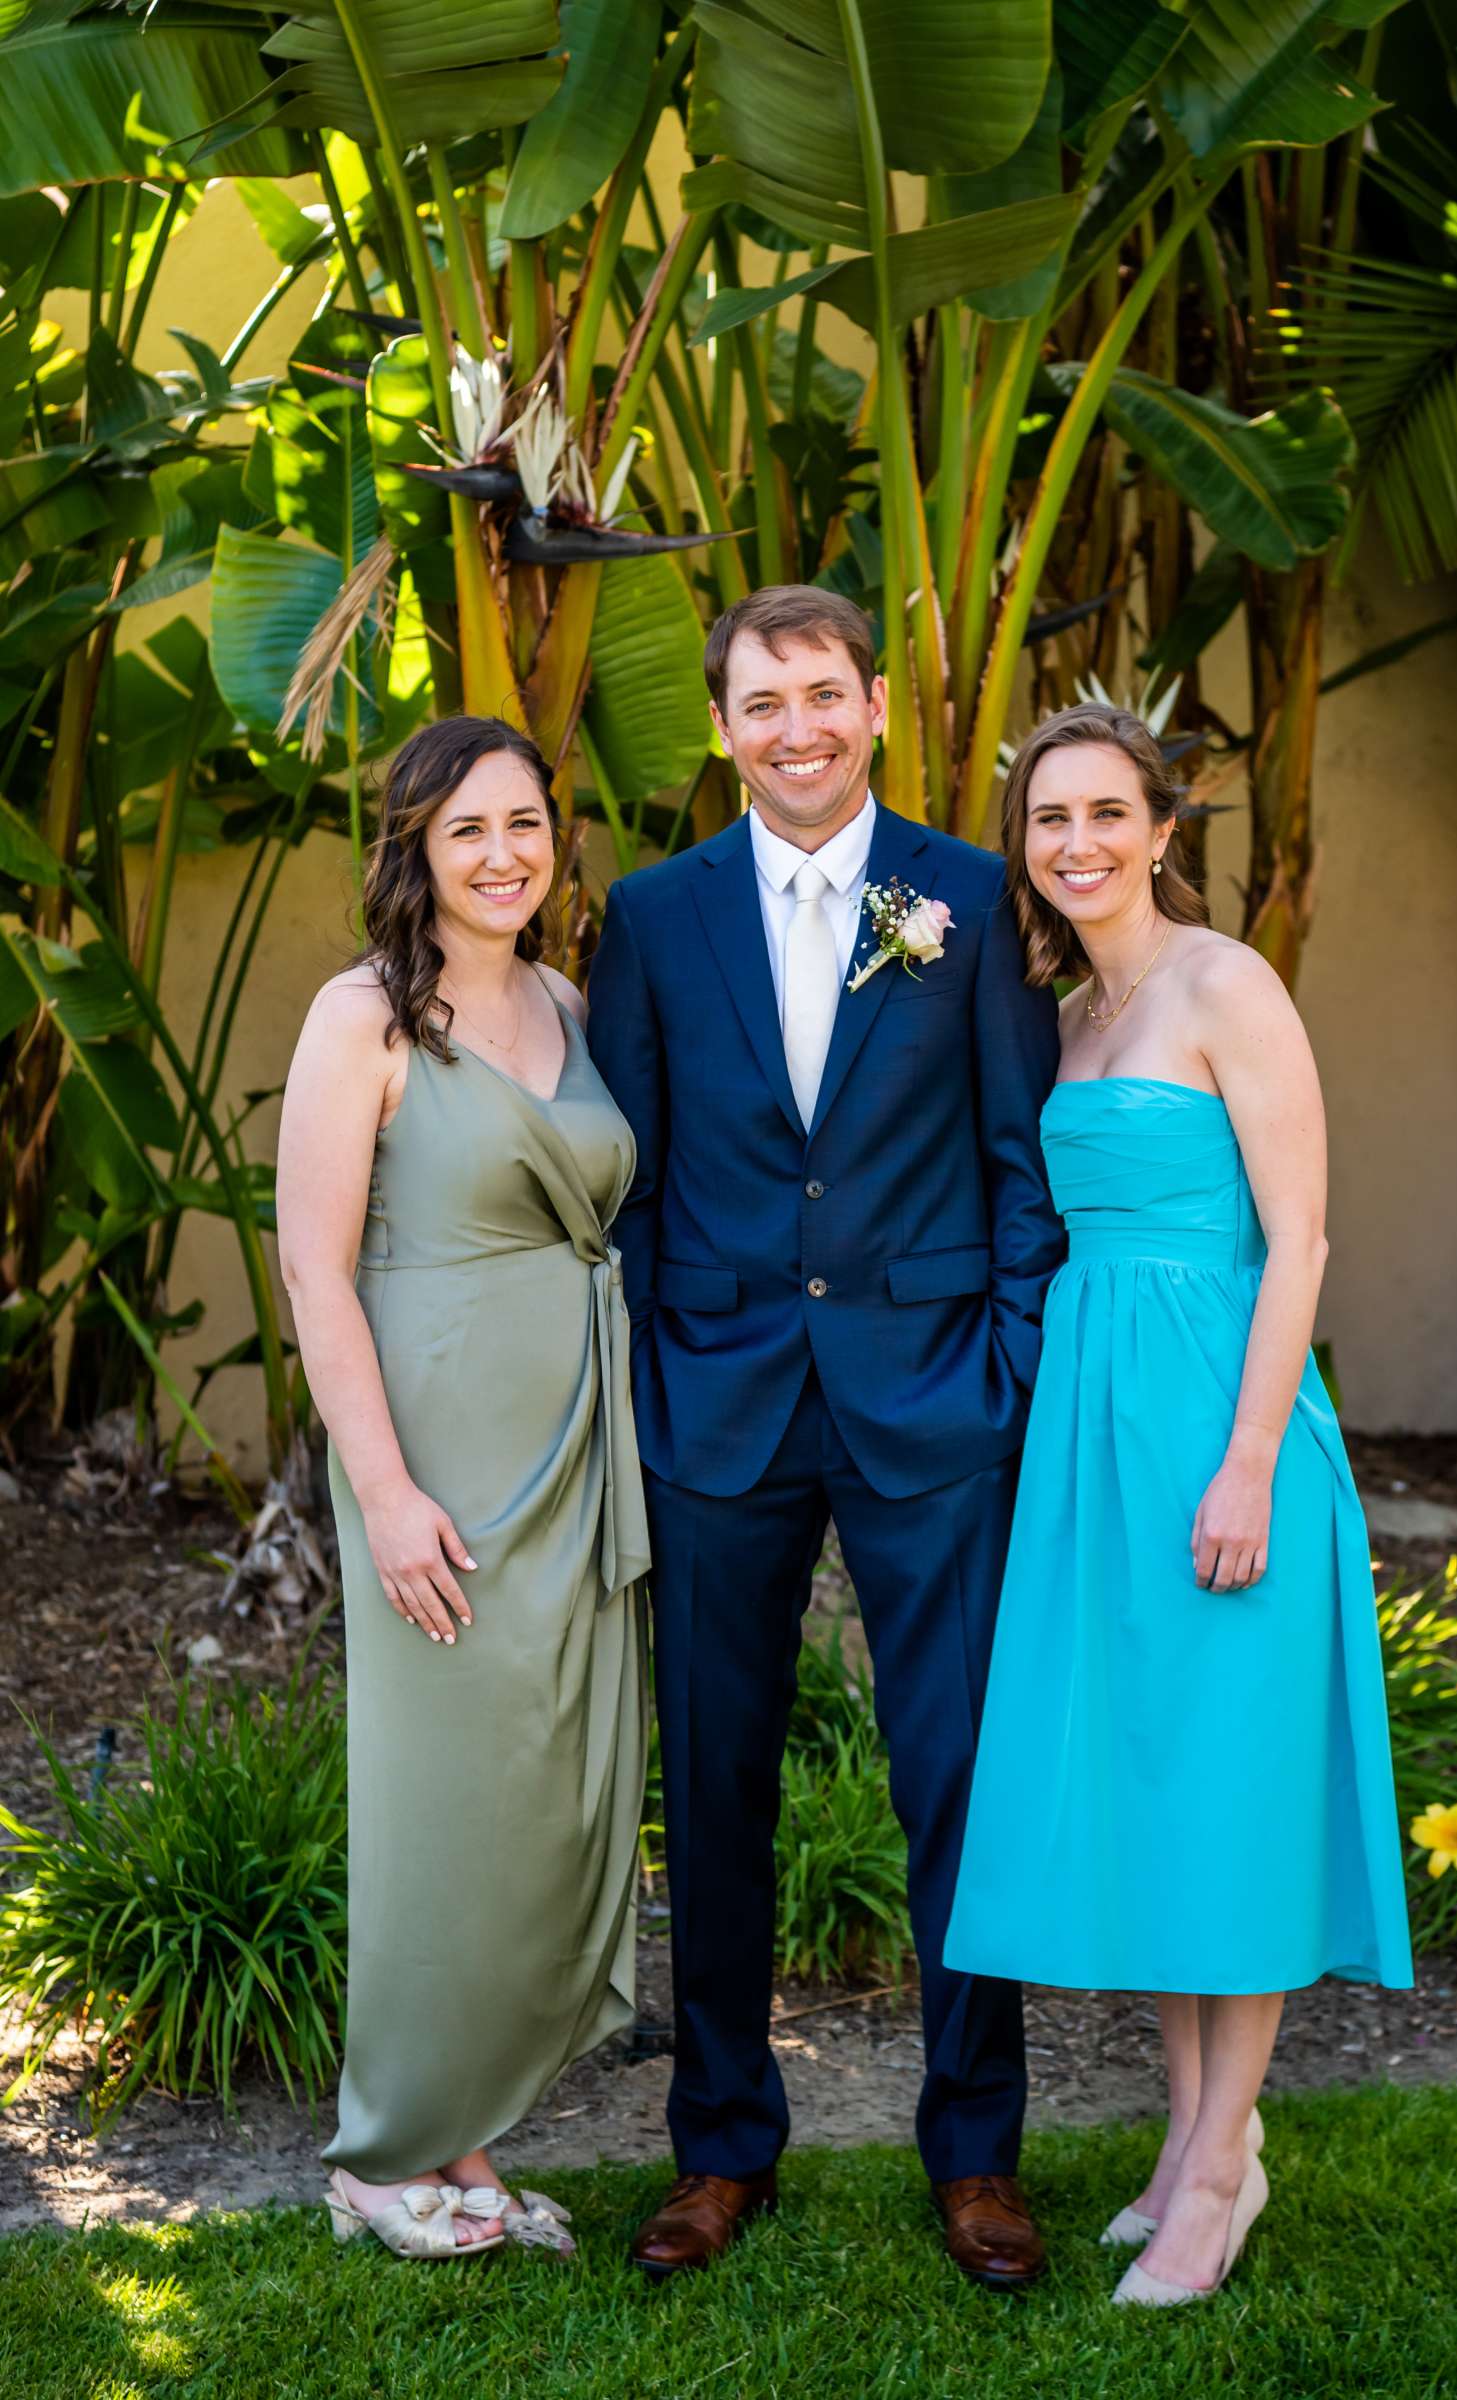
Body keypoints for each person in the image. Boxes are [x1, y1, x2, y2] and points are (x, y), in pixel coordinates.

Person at [587, 587, 1064, 2286]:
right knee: (714, 1782)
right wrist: (652, 1375)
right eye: (760, 704)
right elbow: (629, 1180)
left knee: (954, 1777)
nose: (794, 729)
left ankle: (975, 2152)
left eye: (823, 696)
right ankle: (721, 2146)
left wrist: (1002, 1365)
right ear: (721, 726)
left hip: (935, 1393)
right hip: (716, 1398)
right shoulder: (650, 917)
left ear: (874, 706)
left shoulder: (969, 894)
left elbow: (1021, 1158)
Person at [944, 703, 1414, 2307]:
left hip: (1223, 1420)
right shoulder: (1070, 1017)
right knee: (1153, 1783)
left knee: (1227, 1787)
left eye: (1102, 813)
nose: (1073, 843)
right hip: (1094, 1436)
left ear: (1160, 826)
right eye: (1045, 819)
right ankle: (1186, 2135)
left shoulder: (1227, 985)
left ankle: (1224, 2164)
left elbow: (1298, 1240)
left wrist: (1244, 1459)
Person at [276, 717, 649, 2262]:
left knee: (543, 1794)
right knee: (442, 1799)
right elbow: (313, 1258)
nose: (503, 854)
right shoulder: (360, 1015)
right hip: (436, 1455)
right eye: (466, 832)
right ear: (415, 853)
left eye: (524, 824)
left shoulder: (566, 998)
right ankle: (383, 2152)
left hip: (576, 1437)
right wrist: (383, 1490)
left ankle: (469, 2142)